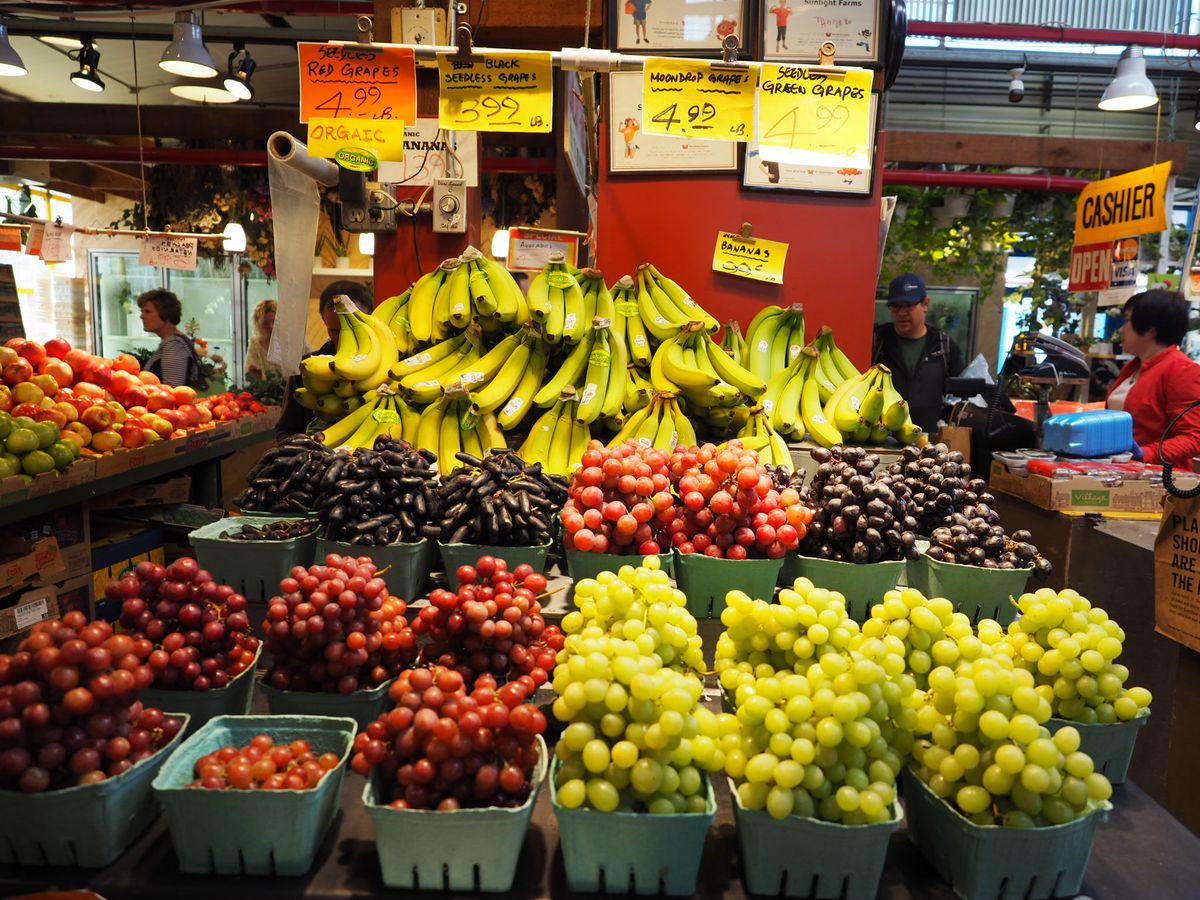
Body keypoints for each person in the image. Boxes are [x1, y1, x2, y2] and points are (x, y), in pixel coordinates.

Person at [1106, 289, 1200, 469]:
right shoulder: (1132, 367)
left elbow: (1194, 437)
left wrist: (1144, 453)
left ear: (1151, 330)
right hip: (1122, 470)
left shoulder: (1182, 370)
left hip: (1156, 476)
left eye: (1127, 321)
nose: (1121, 329)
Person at [276, 280, 374, 438]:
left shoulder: (384, 370)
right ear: (324, 320)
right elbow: (286, 429)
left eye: (352, 330)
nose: (344, 339)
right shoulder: (305, 368)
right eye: (335, 332)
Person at [872, 273, 964, 435]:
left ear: (925, 304)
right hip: (882, 437)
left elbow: (958, 397)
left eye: (909, 305)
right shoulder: (877, 341)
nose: (902, 313)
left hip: (929, 439)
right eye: (896, 306)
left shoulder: (944, 346)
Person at [138, 289, 205, 388]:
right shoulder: (174, 341)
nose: (142, 316)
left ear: (166, 313)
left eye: (148, 311)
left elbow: (173, 389)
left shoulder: (174, 345)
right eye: (142, 311)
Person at [245, 299, 281, 380]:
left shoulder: (292, 340)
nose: (271, 327)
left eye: (273, 321)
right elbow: (249, 374)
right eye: (265, 323)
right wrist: (255, 374)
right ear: (258, 325)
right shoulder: (255, 344)